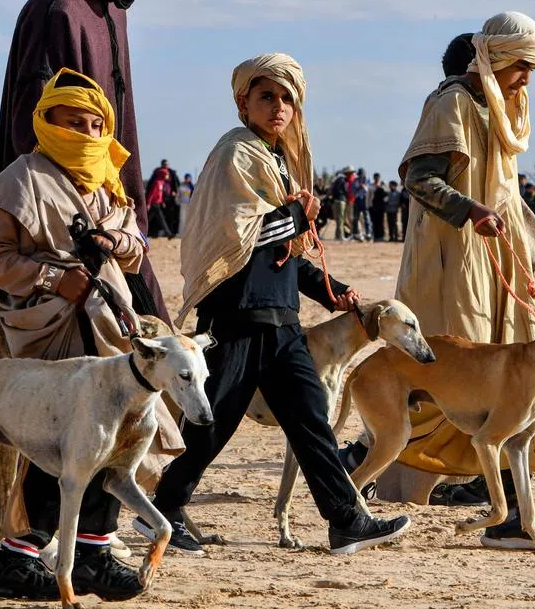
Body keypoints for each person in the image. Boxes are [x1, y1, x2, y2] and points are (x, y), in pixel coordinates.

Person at [148, 53, 410, 556]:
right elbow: (237, 239)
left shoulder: (278, 161)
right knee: (212, 421)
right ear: (243, 101)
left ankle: (345, 519)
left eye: (287, 97)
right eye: (267, 96)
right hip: (238, 316)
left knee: (311, 420)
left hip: (282, 320)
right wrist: (295, 211)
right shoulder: (237, 154)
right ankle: (164, 507)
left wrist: (332, 289)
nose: (279, 107)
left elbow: (282, 254)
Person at [352, 12, 535, 550]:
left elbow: (507, 195)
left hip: (495, 261)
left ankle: (505, 508)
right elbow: (417, 178)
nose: (527, 79)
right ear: (496, 60)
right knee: (449, 377)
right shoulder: (451, 103)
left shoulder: (499, 111)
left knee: (510, 380)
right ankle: (368, 467)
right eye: (522, 66)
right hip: (451, 264)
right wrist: (469, 209)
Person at [0, 68, 183, 600]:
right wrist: (52, 279)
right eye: (73, 122)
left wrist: (117, 240)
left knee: (115, 442)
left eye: (95, 124)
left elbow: (138, 249)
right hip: (53, 329)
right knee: (59, 443)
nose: (87, 134)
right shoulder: (21, 179)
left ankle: (93, 552)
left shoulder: (105, 180)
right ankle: (18, 561)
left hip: (110, 327)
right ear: (46, 122)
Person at [0, 0, 170, 322]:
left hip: (116, 210)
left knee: (153, 344)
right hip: (70, 221)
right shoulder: (57, 10)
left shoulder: (113, 11)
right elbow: (31, 131)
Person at [144, 165, 172, 238]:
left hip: (157, 204)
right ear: (163, 175)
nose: (168, 176)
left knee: (149, 219)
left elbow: (159, 195)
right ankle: (168, 233)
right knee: (158, 219)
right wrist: (149, 203)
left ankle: (167, 233)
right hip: (154, 204)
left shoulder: (162, 183)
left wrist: (162, 202)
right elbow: (152, 194)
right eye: (166, 175)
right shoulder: (157, 183)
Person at [350, 168, 371, 241]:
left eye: (362, 174)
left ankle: (368, 233)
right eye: (360, 175)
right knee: (356, 218)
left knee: (366, 217)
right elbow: (353, 192)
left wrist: (364, 187)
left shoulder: (367, 180)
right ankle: (356, 234)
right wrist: (359, 187)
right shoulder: (355, 181)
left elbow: (368, 190)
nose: (361, 176)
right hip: (357, 200)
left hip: (365, 200)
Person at [331, 168, 351, 240]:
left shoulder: (336, 180)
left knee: (338, 219)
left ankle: (337, 236)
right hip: (341, 201)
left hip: (336, 201)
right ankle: (341, 236)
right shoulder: (343, 180)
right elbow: (345, 190)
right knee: (341, 219)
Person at [370, 173, 387, 241]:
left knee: (381, 223)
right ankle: (376, 236)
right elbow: (371, 198)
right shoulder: (371, 186)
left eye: (378, 177)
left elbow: (386, 197)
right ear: (374, 178)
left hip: (381, 208)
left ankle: (381, 236)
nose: (377, 179)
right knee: (375, 222)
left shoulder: (383, 186)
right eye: (375, 177)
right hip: (374, 208)